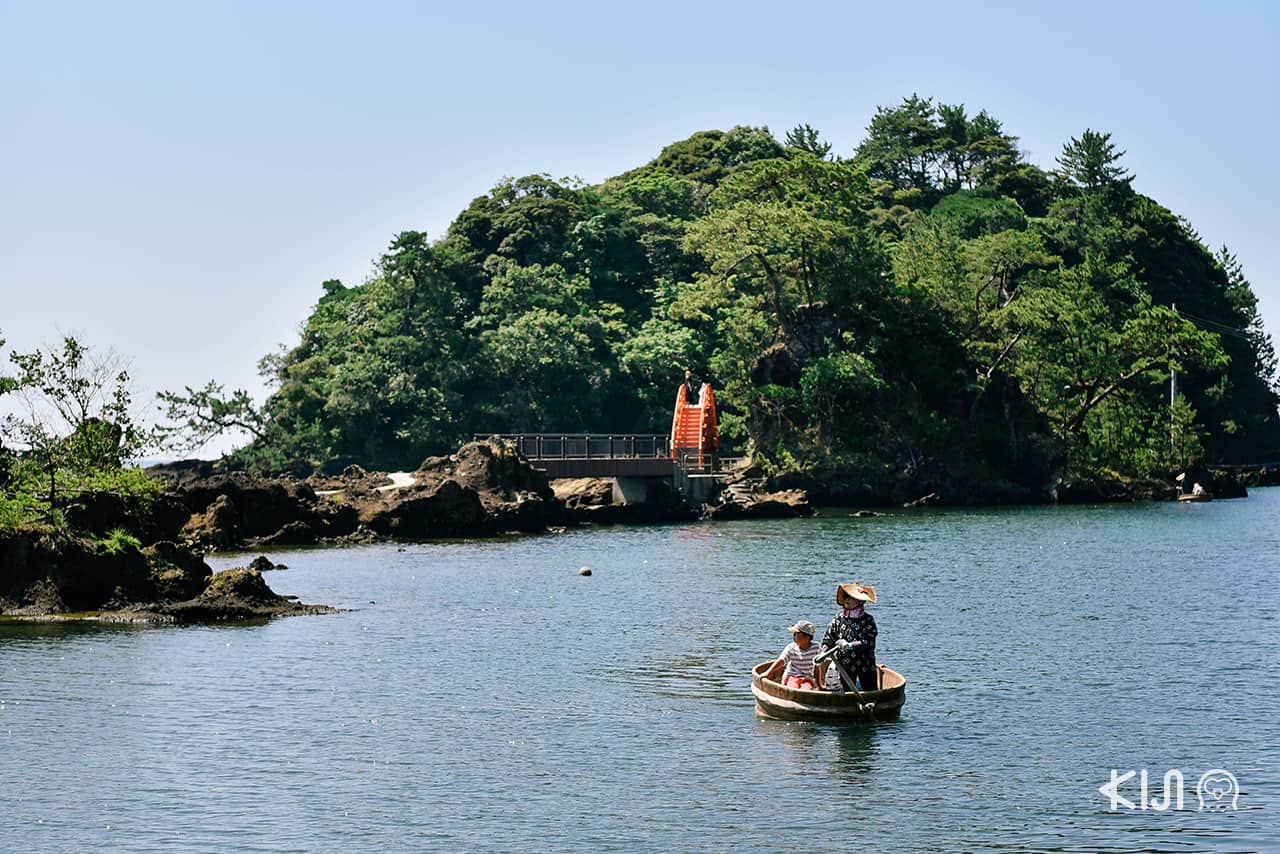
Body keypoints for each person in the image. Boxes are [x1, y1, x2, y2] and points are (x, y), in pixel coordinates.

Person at [818, 583, 879, 693]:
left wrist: (850, 645)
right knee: (846, 691)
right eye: (846, 597)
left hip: (865, 663)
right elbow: (829, 638)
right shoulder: (838, 619)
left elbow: (868, 642)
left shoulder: (868, 620)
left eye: (850, 598)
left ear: (860, 601)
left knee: (870, 690)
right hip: (845, 664)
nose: (846, 600)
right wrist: (823, 652)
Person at [762, 619, 819, 690]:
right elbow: (781, 660)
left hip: (807, 678)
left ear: (807, 637)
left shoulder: (816, 648)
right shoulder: (791, 647)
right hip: (791, 676)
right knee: (793, 689)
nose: (794, 636)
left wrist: (819, 684)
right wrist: (767, 673)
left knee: (807, 690)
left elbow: (821, 663)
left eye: (796, 633)